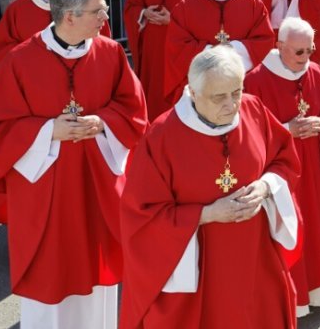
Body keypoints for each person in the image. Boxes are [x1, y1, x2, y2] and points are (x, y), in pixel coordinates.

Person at [0, 0, 147, 327]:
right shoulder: (20, 60)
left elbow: (133, 109)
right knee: (50, 272)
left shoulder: (109, 52)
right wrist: (49, 131)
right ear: (69, 17)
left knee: (96, 270)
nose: (105, 17)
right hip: (44, 190)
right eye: (97, 10)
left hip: (95, 182)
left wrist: (101, 121)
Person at [119, 45, 300, 329]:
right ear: (192, 93)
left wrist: (266, 186)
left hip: (255, 258)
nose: (232, 105)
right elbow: (142, 214)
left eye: (237, 92)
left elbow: (284, 160)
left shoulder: (254, 109)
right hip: (199, 269)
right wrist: (206, 214)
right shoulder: (163, 136)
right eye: (219, 97)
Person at [245, 17, 320, 318]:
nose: (306, 58)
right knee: (287, 230)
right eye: (299, 52)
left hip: (314, 170)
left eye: (310, 50)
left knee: (314, 226)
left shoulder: (314, 71)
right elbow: (248, 132)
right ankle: (293, 300)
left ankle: (317, 288)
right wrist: (286, 128)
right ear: (279, 47)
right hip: (280, 176)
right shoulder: (257, 80)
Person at [165, 0, 276, 104]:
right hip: (203, 86)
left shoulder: (253, 4)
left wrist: (231, 51)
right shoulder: (185, 7)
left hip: (243, 86)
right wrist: (214, 54)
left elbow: (264, 41)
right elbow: (178, 46)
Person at [124, 0, 204, 118]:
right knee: (152, 92)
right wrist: (144, 13)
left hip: (178, 50)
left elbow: (201, 17)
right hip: (152, 48)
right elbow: (131, 6)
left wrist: (173, 20)